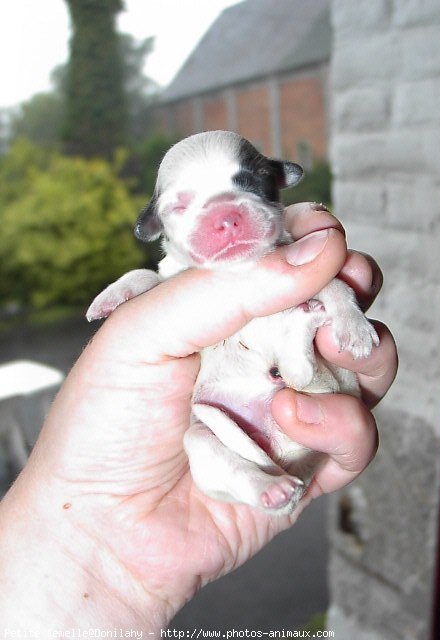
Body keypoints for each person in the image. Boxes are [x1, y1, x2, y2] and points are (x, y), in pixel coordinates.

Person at [0, 204, 397, 633]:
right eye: (184, 205)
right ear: (159, 225)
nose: (223, 218)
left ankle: (298, 348)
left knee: (301, 361)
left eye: (242, 192)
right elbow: (159, 289)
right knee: (201, 443)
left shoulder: (275, 255)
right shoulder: (180, 272)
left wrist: (338, 309)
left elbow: (331, 292)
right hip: (230, 421)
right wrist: (133, 288)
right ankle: (257, 478)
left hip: (287, 393)